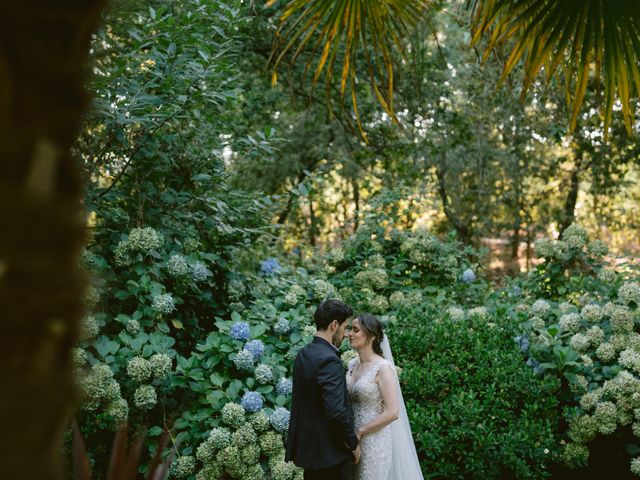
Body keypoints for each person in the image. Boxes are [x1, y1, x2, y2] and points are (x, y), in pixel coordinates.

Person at [286, 299, 362, 480]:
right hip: (330, 456)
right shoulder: (329, 360)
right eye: (344, 328)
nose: (345, 334)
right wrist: (353, 444)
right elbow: (336, 411)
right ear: (334, 324)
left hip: (308, 452)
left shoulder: (303, 354)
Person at [347, 314, 424, 480]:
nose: (349, 334)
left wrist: (361, 431)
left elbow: (393, 412)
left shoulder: (383, 368)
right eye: (349, 330)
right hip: (352, 440)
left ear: (372, 336)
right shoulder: (352, 365)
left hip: (374, 440)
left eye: (355, 330)